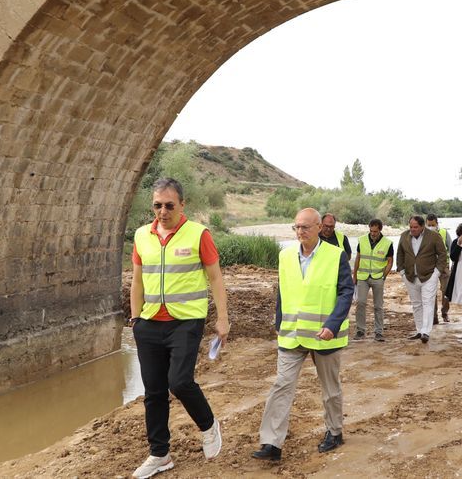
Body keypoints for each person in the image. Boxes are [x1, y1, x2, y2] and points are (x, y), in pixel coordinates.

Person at [128, 178, 229, 479]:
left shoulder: (199, 234)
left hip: (185, 322)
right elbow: (136, 280)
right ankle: (160, 454)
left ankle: (209, 426)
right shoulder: (141, 236)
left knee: (180, 382)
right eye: (157, 205)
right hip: (148, 324)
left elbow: (216, 279)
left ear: (182, 205)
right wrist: (136, 320)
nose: (163, 211)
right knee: (154, 392)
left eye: (169, 205)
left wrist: (222, 319)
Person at [253, 208, 354, 462]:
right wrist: (278, 321)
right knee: (281, 386)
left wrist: (332, 324)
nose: (300, 232)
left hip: (325, 336)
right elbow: (283, 292)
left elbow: (345, 292)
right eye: (296, 227)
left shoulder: (336, 255)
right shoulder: (285, 256)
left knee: (330, 389)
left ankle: (334, 431)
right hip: (291, 335)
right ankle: (271, 443)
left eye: (305, 227)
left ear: (319, 227)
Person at [396, 214, 449, 343]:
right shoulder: (404, 235)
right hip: (410, 276)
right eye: (411, 227)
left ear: (422, 227)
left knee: (428, 302)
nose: (412, 229)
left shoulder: (434, 236)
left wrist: (437, 273)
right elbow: (400, 254)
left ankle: (426, 331)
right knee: (416, 304)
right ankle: (419, 330)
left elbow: (442, 254)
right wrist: (402, 272)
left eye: (415, 227)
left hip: (429, 275)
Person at [352, 218, 394, 341]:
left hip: (377, 278)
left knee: (378, 306)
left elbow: (390, 261)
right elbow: (358, 258)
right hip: (362, 278)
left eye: (375, 231)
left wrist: (383, 276)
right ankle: (360, 331)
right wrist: (354, 275)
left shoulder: (387, 243)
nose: (373, 233)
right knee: (360, 303)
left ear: (380, 230)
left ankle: (379, 332)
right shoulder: (362, 240)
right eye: (371, 231)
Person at [426, 214, 452, 323]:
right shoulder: (423, 235)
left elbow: (451, 249)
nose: (431, 226)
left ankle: (444, 312)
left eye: (433, 224)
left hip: (444, 267)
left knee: (446, 290)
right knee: (431, 292)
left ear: (437, 223)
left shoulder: (444, 233)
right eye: (429, 225)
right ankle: (434, 317)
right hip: (429, 267)